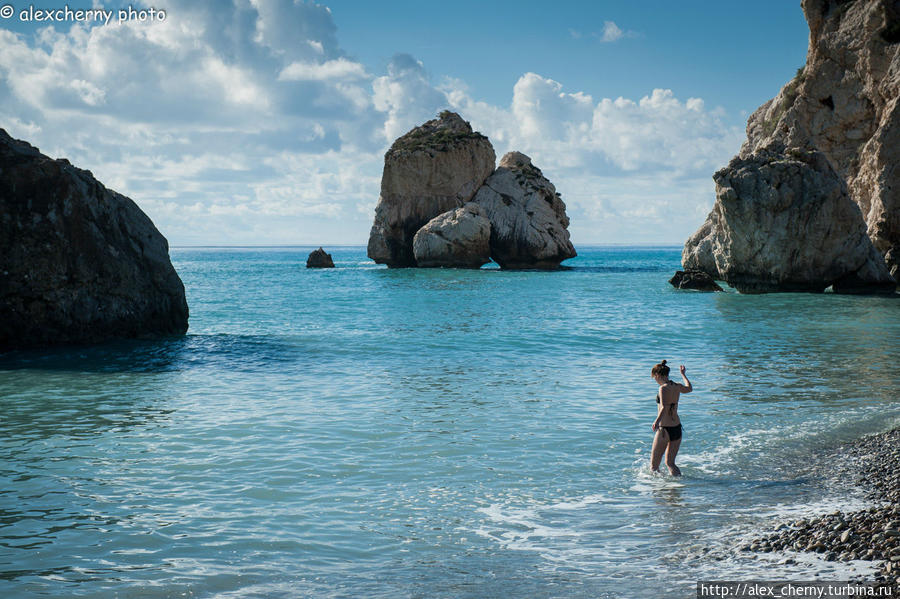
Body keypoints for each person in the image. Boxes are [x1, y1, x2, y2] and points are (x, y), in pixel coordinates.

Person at [650, 360, 692, 476]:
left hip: (664, 429)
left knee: (654, 467)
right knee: (670, 463)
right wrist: (683, 375)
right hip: (677, 428)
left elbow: (663, 407)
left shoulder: (663, 388)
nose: (654, 379)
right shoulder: (677, 386)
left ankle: (658, 491)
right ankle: (678, 487)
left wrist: (656, 422)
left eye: (654, 377)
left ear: (658, 375)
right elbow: (689, 388)